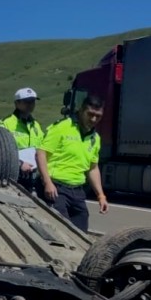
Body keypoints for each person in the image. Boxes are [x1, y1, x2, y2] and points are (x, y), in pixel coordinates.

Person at [36, 95, 109, 232]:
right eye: (90, 114)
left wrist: (101, 195)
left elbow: (93, 168)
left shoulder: (95, 138)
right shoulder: (62, 127)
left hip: (77, 191)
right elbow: (41, 154)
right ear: (81, 111)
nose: (93, 119)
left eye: (98, 116)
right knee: (62, 229)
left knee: (81, 231)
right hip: (56, 188)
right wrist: (47, 182)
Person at [0, 87, 45, 189]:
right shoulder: (5, 124)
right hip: (14, 175)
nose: (30, 104)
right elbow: (0, 152)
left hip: (34, 175)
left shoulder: (36, 125)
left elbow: (42, 147)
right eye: (27, 102)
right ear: (17, 103)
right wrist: (20, 164)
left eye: (33, 101)